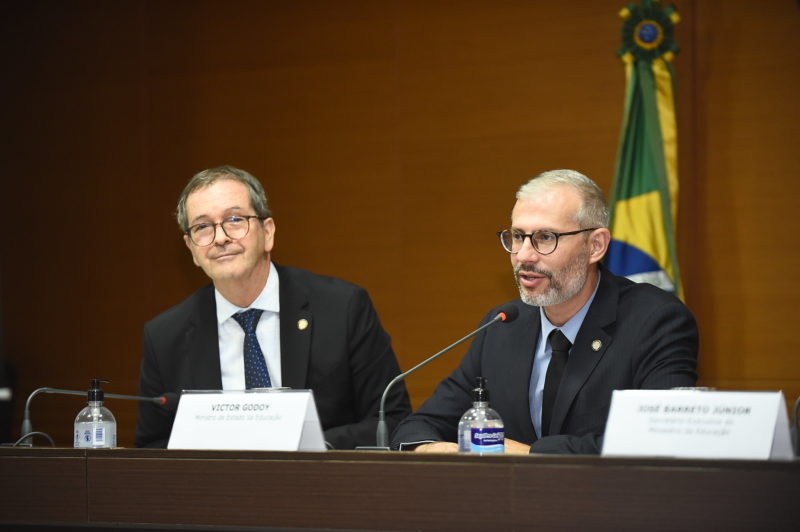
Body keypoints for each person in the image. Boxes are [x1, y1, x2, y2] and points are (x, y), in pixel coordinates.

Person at [391, 169, 698, 454]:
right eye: (517, 236)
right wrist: (432, 449)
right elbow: (419, 426)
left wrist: (527, 455)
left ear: (596, 246)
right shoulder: (501, 326)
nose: (523, 256)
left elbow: (663, 439)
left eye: (545, 238)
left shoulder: (655, 321)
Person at [136, 165, 411, 449]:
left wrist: (307, 447)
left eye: (234, 219)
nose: (220, 238)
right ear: (191, 249)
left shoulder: (342, 309)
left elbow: (393, 421)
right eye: (202, 227)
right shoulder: (165, 336)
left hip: (324, 486)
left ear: (267, 232)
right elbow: (153, 445)